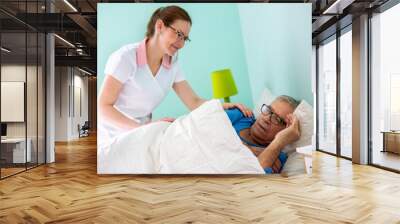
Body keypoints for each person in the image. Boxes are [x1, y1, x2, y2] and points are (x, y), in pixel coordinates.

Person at [98, 6, 252, 147]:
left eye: (185, 38)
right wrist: (142, 129)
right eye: (179, 34)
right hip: (113, 136)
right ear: (159, 26)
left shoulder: (172, 64)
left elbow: (194, 102)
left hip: (143, 133)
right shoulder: (125, 58)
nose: (181, 43)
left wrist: (222, 105)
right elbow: (103, 107)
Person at [225, 95, 301, 173]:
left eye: (277, 119)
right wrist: (249, 149)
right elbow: (212, 123)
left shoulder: (276, 156)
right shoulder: (242, 115)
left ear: (285, 130)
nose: (266, 119)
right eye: (268, 110)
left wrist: (279, 141)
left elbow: (254, 176)